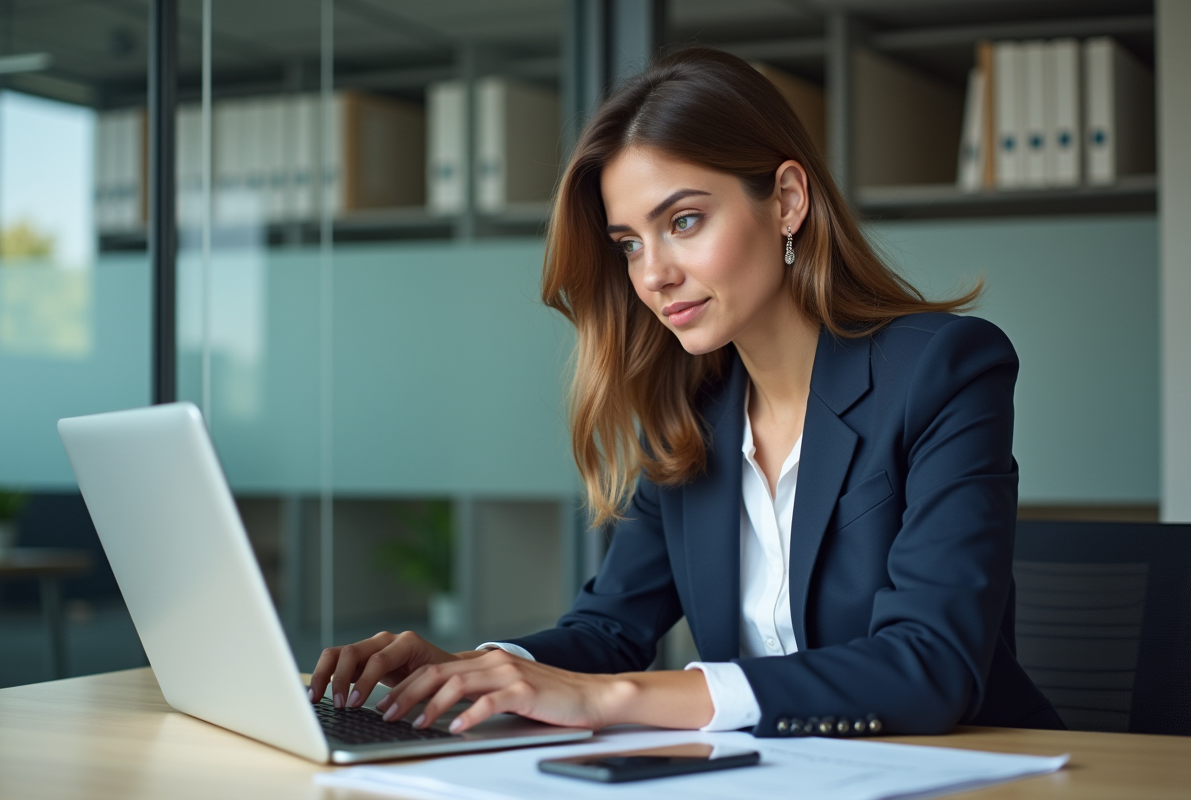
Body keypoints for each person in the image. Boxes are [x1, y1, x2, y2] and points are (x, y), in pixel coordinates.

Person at [308, 47, 1064, 738]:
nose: (653, 274)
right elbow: (608, 631)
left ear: (787, 200)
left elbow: (931, 663)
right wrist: (475, 669)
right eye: (630, 243)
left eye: (686, 220)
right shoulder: (690, 412)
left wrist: (612, 699)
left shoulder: (942, 370)